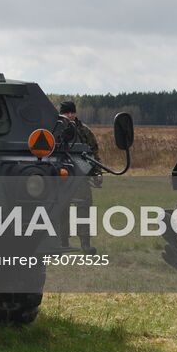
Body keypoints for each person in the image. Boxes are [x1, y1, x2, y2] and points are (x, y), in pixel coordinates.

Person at [59, 101, 100, 254]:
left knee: (84, 206)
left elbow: (94, 152)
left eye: (72, 112)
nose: (69, 115)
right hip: (60, 175)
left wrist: (97, 172)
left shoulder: (84, 131)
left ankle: (85, 243)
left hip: (80, 174)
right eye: (66, 112)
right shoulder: (55, 129)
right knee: (61, 208)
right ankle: (62, 241)